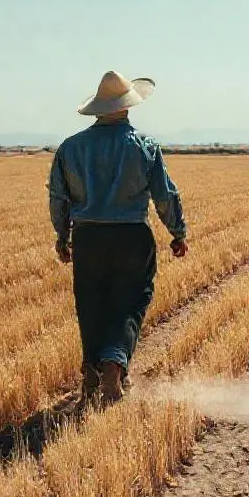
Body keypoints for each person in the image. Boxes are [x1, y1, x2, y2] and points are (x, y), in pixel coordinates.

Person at [48, 71, 188, 405]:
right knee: (131, 300)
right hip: (131, 236)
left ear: (98, 109)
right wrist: (178, 232)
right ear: (127, 107)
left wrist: (62, 236)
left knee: (90, 304)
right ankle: (114, 361)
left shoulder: (70, 148)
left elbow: (58, 197)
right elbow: (165, 196)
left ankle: (92, 375)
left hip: (88, 237)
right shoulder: (145, 146)